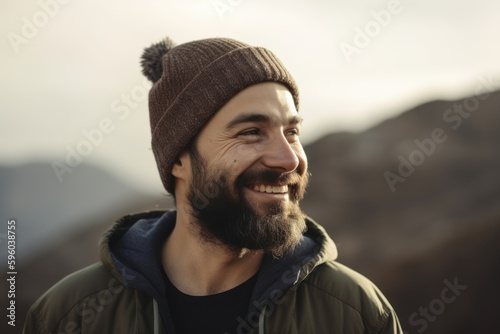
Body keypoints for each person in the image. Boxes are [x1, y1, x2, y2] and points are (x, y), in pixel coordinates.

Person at [23, 37, 403, 334]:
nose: (288, 159)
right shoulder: (71, 316)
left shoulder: (355, 314)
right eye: (252, 132)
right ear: (178, 160)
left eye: (291, 131)